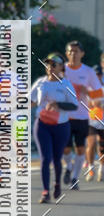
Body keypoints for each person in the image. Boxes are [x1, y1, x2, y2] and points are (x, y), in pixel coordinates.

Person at [30, 53, 76, 203]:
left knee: (57, 159)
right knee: (45, 158)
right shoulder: (40, 83)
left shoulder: (66, 84)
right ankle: (45, 192)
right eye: (48, 64)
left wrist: (58, 105)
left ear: (61, 67)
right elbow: (29, 101)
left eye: (53, 64)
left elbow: (74, 105)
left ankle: (57, 184)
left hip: (61, 126)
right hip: (42, 125)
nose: (50, 67)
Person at [61, 40, 101, 189]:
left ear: (82, 54)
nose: (73, 54)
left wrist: (87, 92)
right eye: (70, 51)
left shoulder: (88, 71)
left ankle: (74, 177)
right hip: (64, 116)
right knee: (65, 149)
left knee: (80, 149)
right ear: (66, 54)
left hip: (82, 116)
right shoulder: (61, 70)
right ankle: (69, 168)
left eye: (76, 51)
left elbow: (98, 93)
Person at [85, 75, 104, 182]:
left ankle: (102, 168)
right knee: (91, 144)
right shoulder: (88, 90)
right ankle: (91, 167)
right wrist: (92, 104)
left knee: (102, 148)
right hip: (91, 122)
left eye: (98, 76)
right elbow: (84, 105)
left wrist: (101, 105)